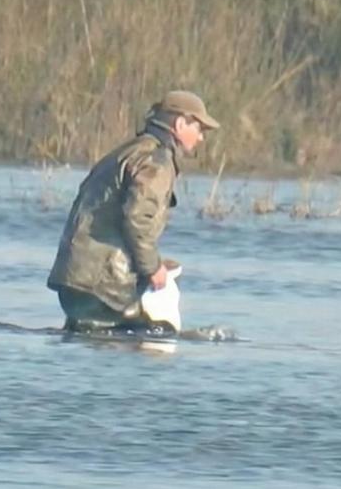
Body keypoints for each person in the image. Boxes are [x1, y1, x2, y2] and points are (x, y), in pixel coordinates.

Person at [47, 90, 220, 332]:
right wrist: (152, 267)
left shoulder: (131, 151)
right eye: (199, 128)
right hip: (102, 286)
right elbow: (138, 220)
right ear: (181, 124)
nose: (201, 137)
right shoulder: (156, 160)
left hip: (77, 280)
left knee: (94, 342)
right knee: (155, 338)